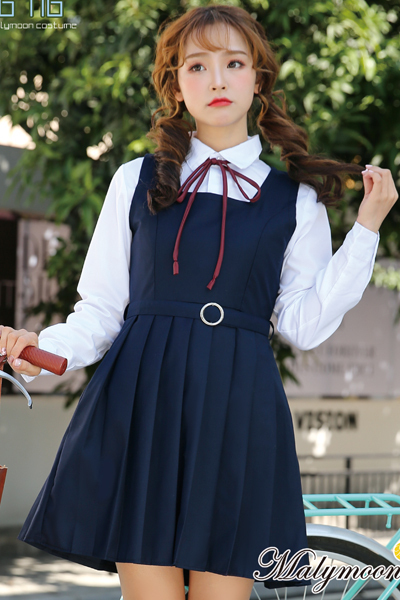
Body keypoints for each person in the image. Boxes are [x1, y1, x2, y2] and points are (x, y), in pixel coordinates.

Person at [0, 4, 398, 600]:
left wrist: (365, 231)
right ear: (175, 83)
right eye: (197, 66)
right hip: (143, 401)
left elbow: (303, 324)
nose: (217, 79)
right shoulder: (134, 179)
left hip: (239, 406)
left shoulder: (293, 199)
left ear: (258, 79)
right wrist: (40, 349)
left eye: (234, 63)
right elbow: (101, 311)